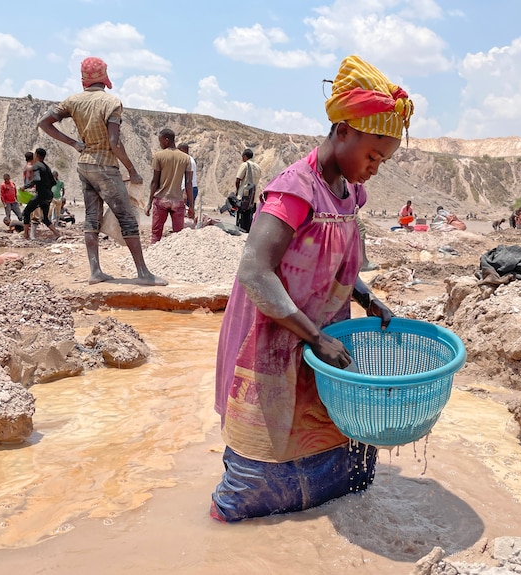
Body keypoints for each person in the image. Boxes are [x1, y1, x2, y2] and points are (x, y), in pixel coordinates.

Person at [211, 54, 411, 523]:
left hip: (323, 338)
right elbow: (256, 272)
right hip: (277, 336)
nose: (375, 169)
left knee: (331, 434)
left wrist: (364, 296)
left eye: (383, 160)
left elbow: (336, 262)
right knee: (268, 440)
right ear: (343, 132)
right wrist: (315, 337)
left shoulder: (347, 191)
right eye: (373, 156)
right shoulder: (293, 190)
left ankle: (318, 509)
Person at [36, 56, 166, 286]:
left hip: (84, 165)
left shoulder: (72, 101)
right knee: (127, 217)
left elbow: (44, 122)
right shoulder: (111, 103)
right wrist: (132, 170)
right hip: (105, 166)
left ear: (84, 80)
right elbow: (114, 142)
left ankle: (95, 271)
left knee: (91, 218)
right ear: (105, 79)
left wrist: (74, 143)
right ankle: (143, 273)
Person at [146, 128, 193, 243]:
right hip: (177, 200)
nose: (160, 143)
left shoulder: (158, 156)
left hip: (161, 199)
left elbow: (154, 182)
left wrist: (149, 202)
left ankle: (153, 257)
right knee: (179, 235)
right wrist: (191, 205)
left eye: (160, 141)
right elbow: (188, 183)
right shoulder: (186, 158)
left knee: (156, 234)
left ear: (166, 140)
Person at [22, 148, 61, 240]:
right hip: (49, 195)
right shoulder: (47, 167)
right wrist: (46, 187)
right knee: (45, 218)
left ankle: (26, 235)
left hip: (41, 195)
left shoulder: (36, 166)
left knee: (26, 212)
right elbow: (54, 182)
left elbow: (36, 179)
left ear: (36, 155)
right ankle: (57, 234)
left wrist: (25, 186)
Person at [234, 148, 262, 232]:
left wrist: (237, 191)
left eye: (242, 156)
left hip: (243, 194)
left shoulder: (245, 165)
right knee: (249, 215)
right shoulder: (258, 167)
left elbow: (238, 179)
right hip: (253, 196)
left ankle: (240, 229)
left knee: (241, 214)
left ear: (245, 156)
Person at [177, 143, 198, 208]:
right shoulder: (185, 160)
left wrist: (185, 193)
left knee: (186, 211)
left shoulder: (189, 161)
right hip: (186, 189)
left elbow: (189, 179)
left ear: (182, 150)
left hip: (189, 189)